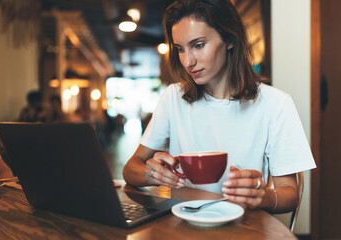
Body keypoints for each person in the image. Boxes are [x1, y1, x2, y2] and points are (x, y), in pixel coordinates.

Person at [123, 0, 316, 213]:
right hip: (183, 223)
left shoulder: (276, 104)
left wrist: (262, 196)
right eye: (180, 49)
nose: (188, 61)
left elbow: (290, 193)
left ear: (229, 40)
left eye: (198, 45)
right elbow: (130, 169)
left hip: (244, 227)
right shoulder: (173, 98)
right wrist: (154, 175)